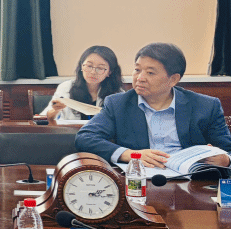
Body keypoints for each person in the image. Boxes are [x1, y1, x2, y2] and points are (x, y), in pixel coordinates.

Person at [76, 42, 231, 168]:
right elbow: (85, 138)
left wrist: (226, 160)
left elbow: (227, 150)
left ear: (173, 79)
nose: (140, 78)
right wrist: (132, 154)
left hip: (191, 182)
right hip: (140, 180)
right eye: (137, 70)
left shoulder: (206, 106)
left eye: (150, 73)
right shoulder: (118, 104)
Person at [39, 46, 123, 121]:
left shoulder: (117, 94)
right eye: (89, 66)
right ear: (81, 67)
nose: (93, 72)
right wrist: (56, 110)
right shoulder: (67, 87)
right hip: (71, 133)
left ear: (109, 72)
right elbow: (45, 118)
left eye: (100, 68)